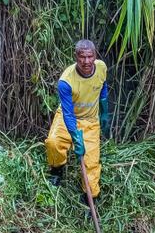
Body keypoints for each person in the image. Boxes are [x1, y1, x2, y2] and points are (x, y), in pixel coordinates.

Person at [45, 39, 109, 203]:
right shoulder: (66, 81)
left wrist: (104, 110)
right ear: (76, 57)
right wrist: (75, 136)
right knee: (53, 142)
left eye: (90, 56)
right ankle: (57, 169)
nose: (86, 61)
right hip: (68, 117)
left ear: (95, 55)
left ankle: (90, 198)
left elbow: (102, 86)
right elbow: (67, 113)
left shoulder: (101, 67)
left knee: (90, 164)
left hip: (90, 121)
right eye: (82, 57)